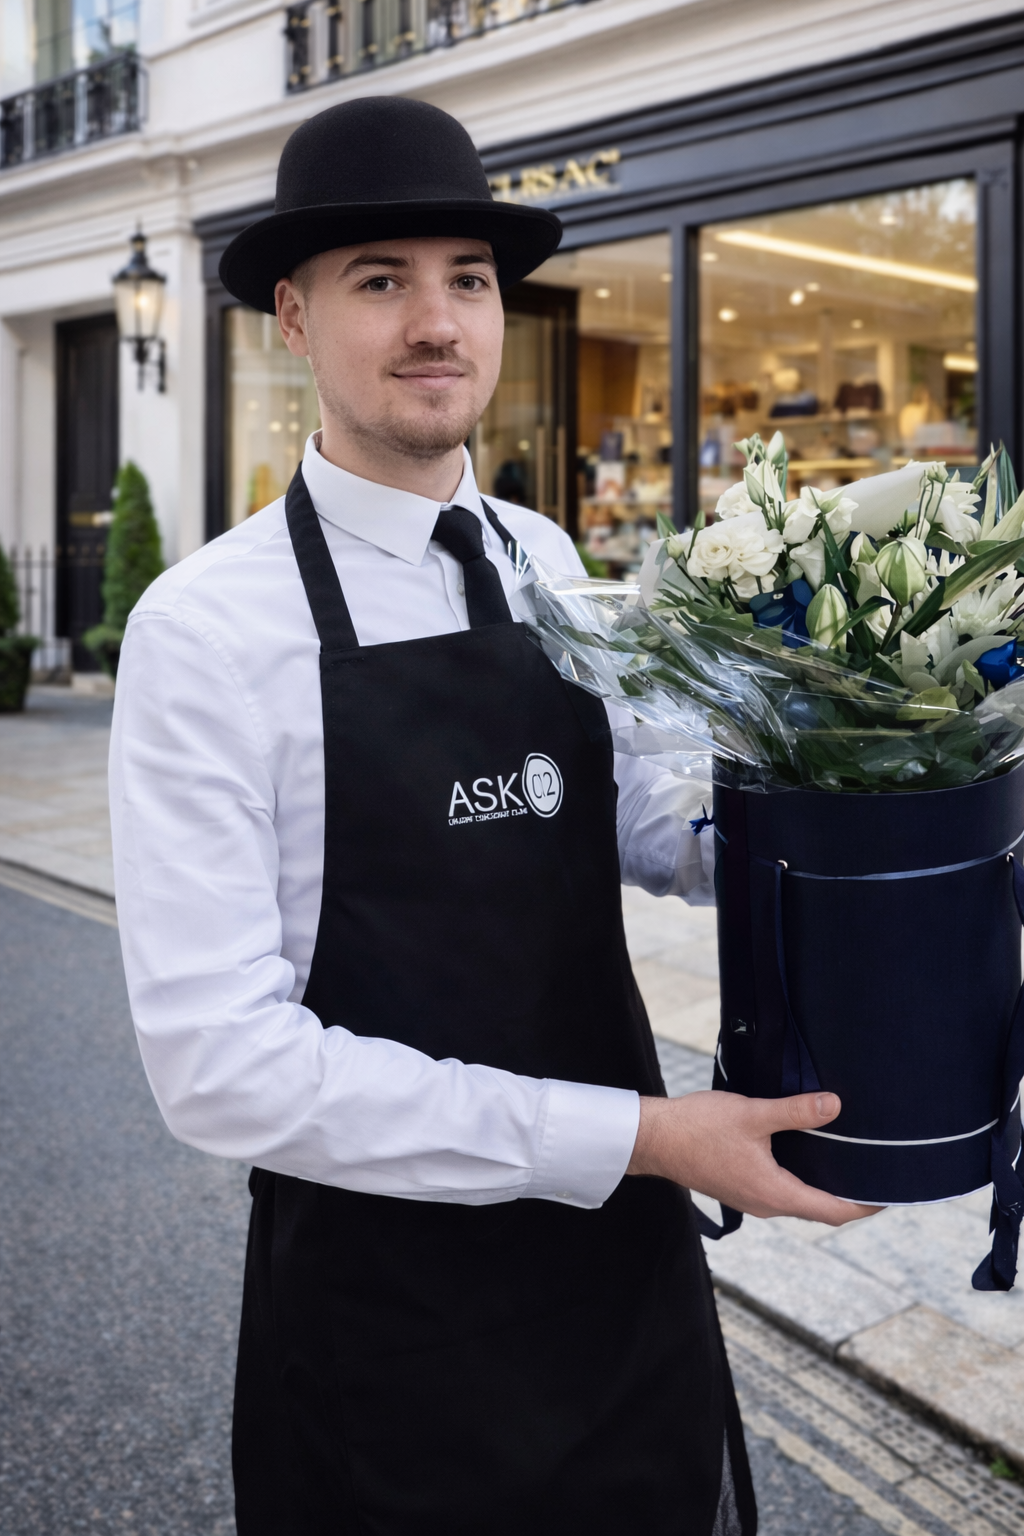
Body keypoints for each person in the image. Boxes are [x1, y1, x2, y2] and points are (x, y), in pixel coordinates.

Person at [109, 97, 873, 1536]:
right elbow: (223, 1071)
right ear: (294, 313)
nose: (436, 321)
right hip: (394, 1324)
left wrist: (850, 833)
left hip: (618, 1280)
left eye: (467, 276)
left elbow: (640, 812)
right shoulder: (203, 631)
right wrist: (641, 1140)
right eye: (379, 279)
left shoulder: (544, 555)